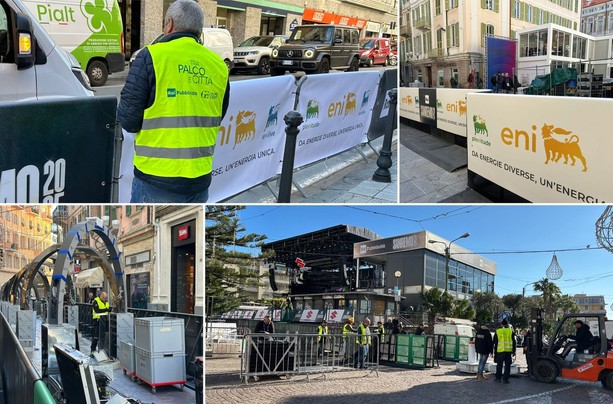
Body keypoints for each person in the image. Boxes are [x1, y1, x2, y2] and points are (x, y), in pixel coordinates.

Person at [117, 0, 230, 203]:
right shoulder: (219, 65)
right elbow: (218, 114)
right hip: (200, 178)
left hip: (156, 179)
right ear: (199, 30)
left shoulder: (151, 56)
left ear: (169, 24)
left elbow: (128, 120)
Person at [493, 319, 516, 384]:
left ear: (501, 324)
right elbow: (514, 342)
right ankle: (505, 379)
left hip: (500, 351)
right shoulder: (510, 331)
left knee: (499, 365)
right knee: (507, 366)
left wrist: (494, 351)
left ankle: (498, 378)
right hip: (508, 351)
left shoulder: (498, 331)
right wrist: (514, 351)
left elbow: (495, 342)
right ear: (507, 324)